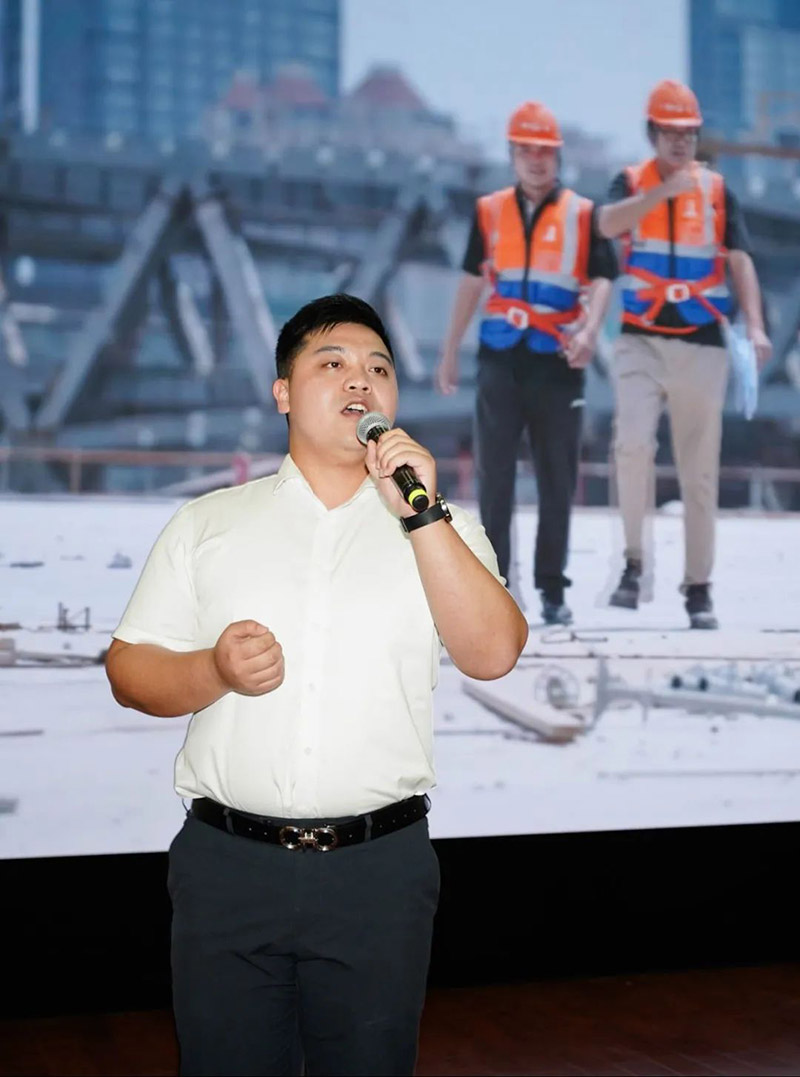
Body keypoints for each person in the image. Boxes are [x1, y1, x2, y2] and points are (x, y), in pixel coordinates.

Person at [105, 293, 528, 1077]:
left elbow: (495, 652)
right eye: (332, 363)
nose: (360, 380)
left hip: (378, 870)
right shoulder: (209, 523)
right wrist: (213, 670)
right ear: (284, 393)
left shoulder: (440, 524)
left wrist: (422, 513)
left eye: (379, 368)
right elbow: (129, 670)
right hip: (229, 866)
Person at [598, 79, 772, 629]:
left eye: (689, 134)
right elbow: (606, 224)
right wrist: (661, 194)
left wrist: (756, 326)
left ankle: (699, 588)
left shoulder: (718, 192)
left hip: (702, 342)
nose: (681, 142)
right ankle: (633, 565)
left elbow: (739, 259)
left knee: (699, 471)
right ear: (652, 133)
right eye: (671, 132)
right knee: (631, 445)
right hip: (640, 339)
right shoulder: (629, 182)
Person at [436, 101, 617, 626]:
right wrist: (450, 350)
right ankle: (496, 587)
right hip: (500, 359)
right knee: (494, 478)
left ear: (557, 155)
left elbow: (604, 278)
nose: (537, 160)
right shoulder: (490, 211)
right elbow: (472, 280)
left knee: (557, 478)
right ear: (513, 154)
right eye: (526, 150)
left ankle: (552, 591)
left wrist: (590, 330)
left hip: (559, 362)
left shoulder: (584, 215)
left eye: (545, 151)